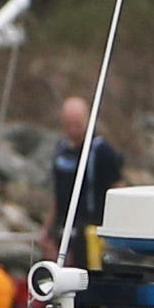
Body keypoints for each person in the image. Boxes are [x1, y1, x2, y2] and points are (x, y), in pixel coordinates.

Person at [49, 95, 126, 266]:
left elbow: (118, 188)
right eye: (68, 125)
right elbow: (56, 193)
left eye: (77, 125)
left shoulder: (103, 151)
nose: (73, 131)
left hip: (93, 231)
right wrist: (48, 229)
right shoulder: (61, 150)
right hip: (65, 227)